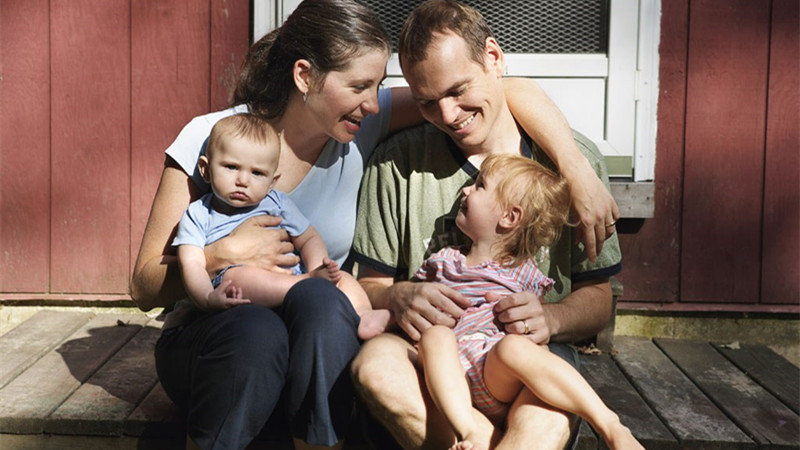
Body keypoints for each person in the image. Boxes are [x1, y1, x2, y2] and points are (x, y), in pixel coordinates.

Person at [129, 0, 618, 448]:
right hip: (222, 335)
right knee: (268, 331)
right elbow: (144, 286)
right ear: (305, 76)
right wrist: (220, 255)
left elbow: (498, 89)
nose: (373, 101)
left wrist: (574, 167)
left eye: (379, 87)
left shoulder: (358, 128)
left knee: (323, 303)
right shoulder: (217, 138)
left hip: (320, 336)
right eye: (362, 86)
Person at [350, 1, 623, 449]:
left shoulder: (573, 165)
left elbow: (599, 297)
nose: (448, 115)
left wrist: (551, 317)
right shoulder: (397, 164)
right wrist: (398, 295)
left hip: (524, 355)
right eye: (427, 102)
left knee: (544, 423)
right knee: (375, 368)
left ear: (493, 58)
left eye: (458, 91)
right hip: (429, 354)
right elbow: (370, 285)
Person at [413, 153, 641, 450]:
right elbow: (416, 304)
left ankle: (610, 425)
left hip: (496, 374)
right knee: (435, 336)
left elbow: (536, 334)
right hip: (449, 377)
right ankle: (468, 431)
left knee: (513, 347)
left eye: (479, 186)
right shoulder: (443, 260)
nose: (465, 190)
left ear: (510, 217)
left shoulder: (525, 273)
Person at [173, 113, 385, 338]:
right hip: (245, 292)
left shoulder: (277, 203)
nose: (243, 180)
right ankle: (304, 287)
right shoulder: (199, 214)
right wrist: (207, 297)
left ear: (272, 182)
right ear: (205, 169)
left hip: (298, 277)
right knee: (237, 278)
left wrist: (316, 270)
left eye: (257, 173)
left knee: (345, 279)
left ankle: (364, 315)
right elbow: (192, 264)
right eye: (231, 167)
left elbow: (308, 238)